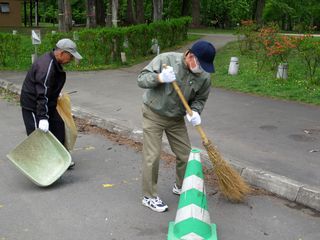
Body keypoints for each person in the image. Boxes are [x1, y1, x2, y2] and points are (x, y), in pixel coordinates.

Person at [137, 40, 216, 212]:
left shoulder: (204, 77)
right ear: (190, 55)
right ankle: (149, 196)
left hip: (176, 119)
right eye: (200, 64)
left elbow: (200, 99)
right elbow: (141, 79)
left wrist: (195, 112)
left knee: (186, 155)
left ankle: (181, 186)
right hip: (154, 113)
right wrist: (159, 78)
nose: (201, 69)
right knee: (153, 155)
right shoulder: (167, 59)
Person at [20, 38, 82, 169]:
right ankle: (40, 166)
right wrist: (42, 117)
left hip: (47, 102)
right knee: (38, 135)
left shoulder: (54, 62)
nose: (70, 59)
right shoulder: (46, 67)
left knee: (58, 126)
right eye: (70, 55)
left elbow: (48, 87)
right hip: (33, 105)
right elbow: (41, 93)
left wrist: (56, 93)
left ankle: (60, 158)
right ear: (61, 53)